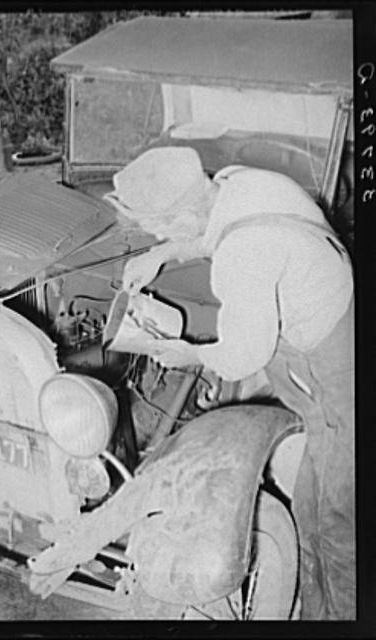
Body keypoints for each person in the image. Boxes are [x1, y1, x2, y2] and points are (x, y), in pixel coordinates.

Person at [105, 146, 355, 620]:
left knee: (339, 520)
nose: (157, 235)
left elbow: (244, 357)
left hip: (339, 372)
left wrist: (186, 353)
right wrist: (164, 253)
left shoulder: (242, 254)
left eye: (160, 227)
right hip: (327, 309)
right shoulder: (240, 182)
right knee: (308, 505)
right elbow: (211, 229)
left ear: (182, 211)